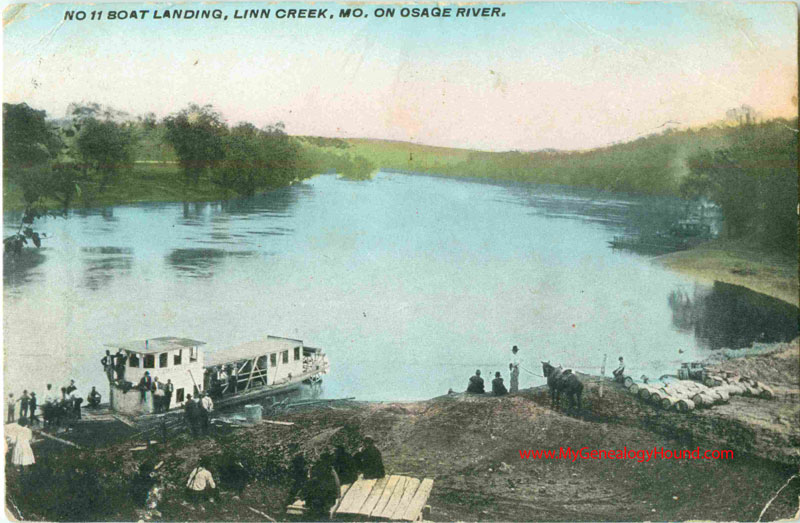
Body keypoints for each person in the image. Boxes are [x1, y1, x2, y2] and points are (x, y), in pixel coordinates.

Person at [305, 452, 339, 518]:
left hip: (319, 493)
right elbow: (336, 482)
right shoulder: (330, 469)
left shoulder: (316, 467)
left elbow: (311, 480)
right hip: (325, 493)